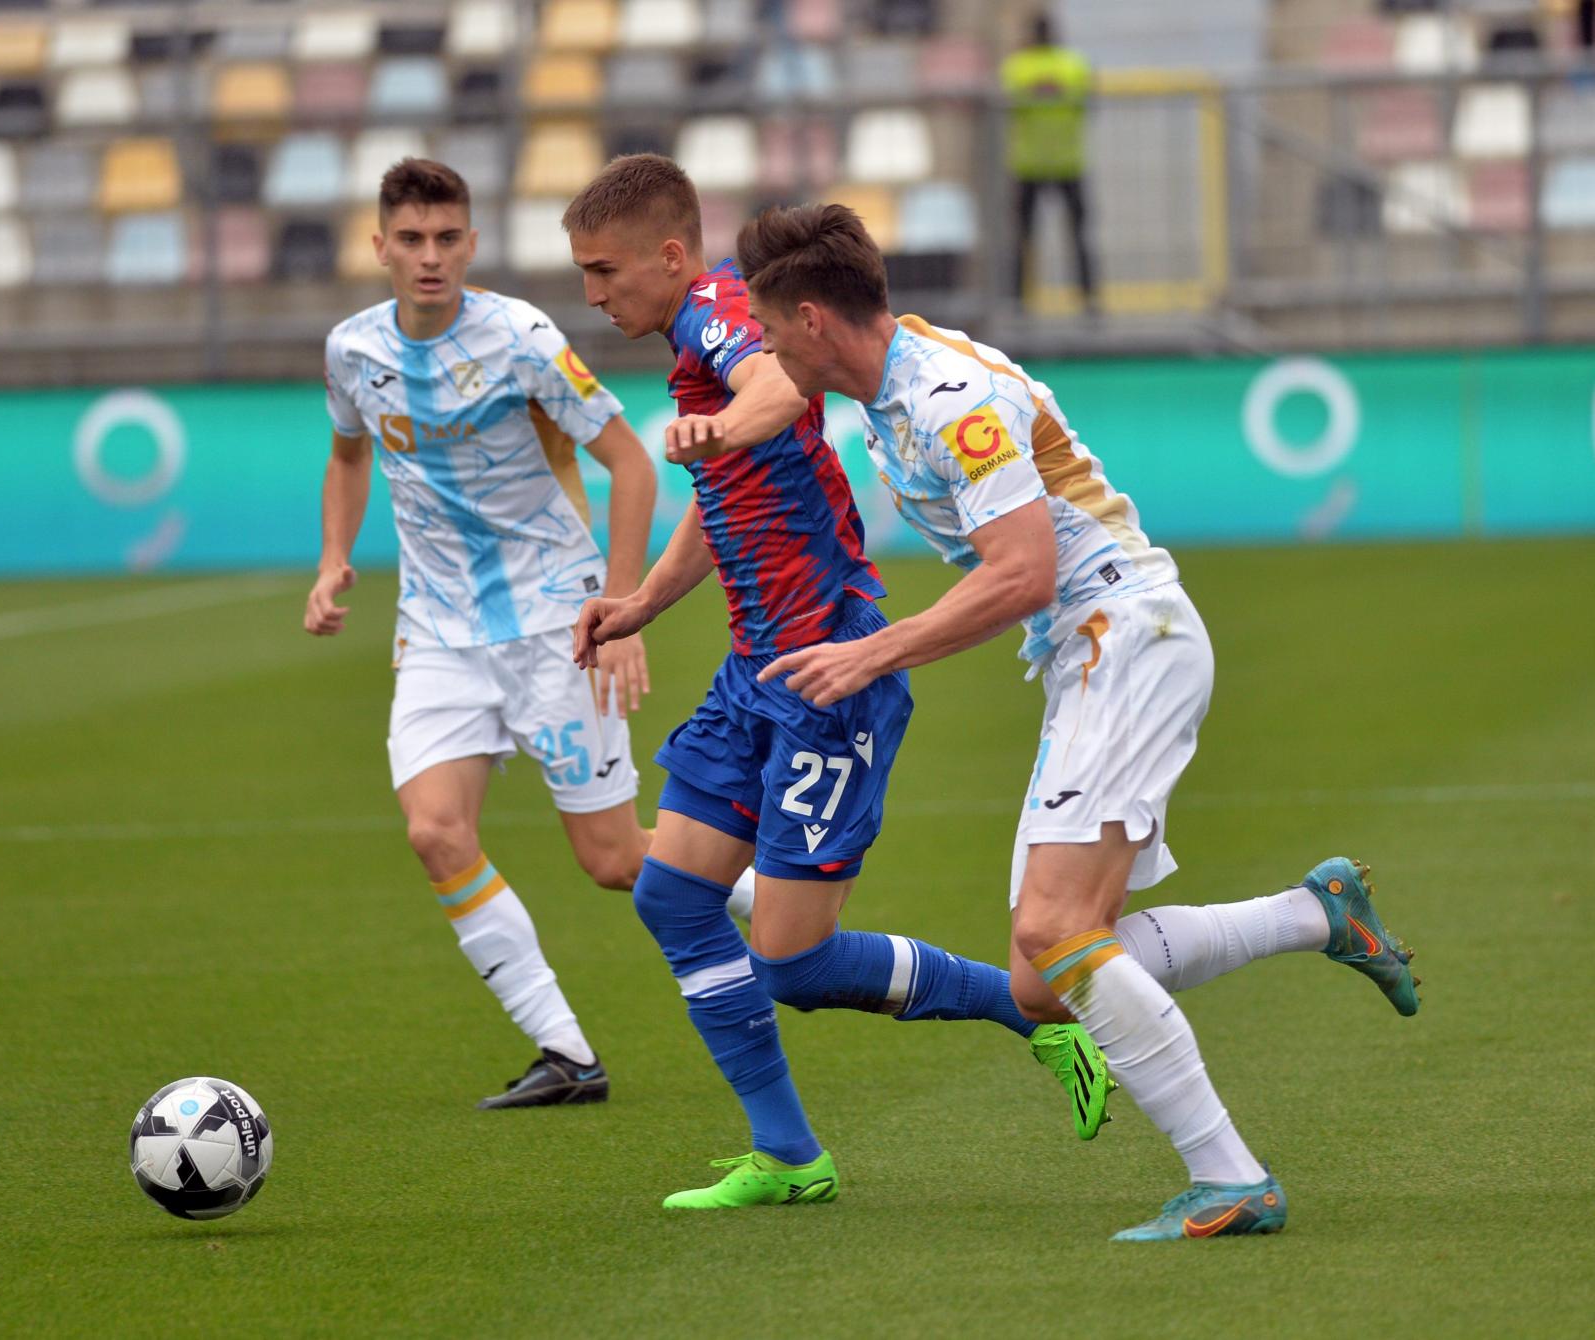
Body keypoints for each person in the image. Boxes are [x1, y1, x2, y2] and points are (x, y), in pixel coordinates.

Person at [733, 201, 1423, 1240]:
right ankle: (1315, 913)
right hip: (1093, 646)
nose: (766, 345)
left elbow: (1023, 572)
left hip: (1123, 632)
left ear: (815, 317)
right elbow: (767, 401)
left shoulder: (949, 399)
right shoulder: (885, 376)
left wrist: (872, 649)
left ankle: (1232, 1176)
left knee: (1057, 935)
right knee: (1043, 977)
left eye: (771, 325)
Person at [562, 154, 1114, 1210]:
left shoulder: (727, 318)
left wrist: (725, 422)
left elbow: (768, 390)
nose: (594, 294)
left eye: (603, 270)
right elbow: (719, 491)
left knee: (794, 963)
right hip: (755, 663)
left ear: (669, 258)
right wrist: (641, 600)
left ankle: (1029, 1012)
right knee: (673, 892)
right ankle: (787, 1154)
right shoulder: (700, 337)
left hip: (830, 668)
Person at [306, 158, 752, 1111]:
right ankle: (566, 1052)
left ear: (471, 242)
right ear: (380, 245)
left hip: (556, 620)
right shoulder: (351, 350)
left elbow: (631, 467)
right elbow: (349, 457)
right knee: (435, 832)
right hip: (436, 633)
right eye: (412, 239)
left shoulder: (524, 340)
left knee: (614, 862)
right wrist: (334, 557)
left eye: (448, 238)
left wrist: (623, 607)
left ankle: (782, 899)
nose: (431, 257)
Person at [1001, 11, 1098, 313]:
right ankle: (1089, 301)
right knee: (1077, 236)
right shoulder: (1073, 65)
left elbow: (1008, 108)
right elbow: (1087, 105)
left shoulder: (1017, 68)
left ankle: (1018, 302)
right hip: (1066, 161)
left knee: (1024, 239)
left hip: (1031, 163)